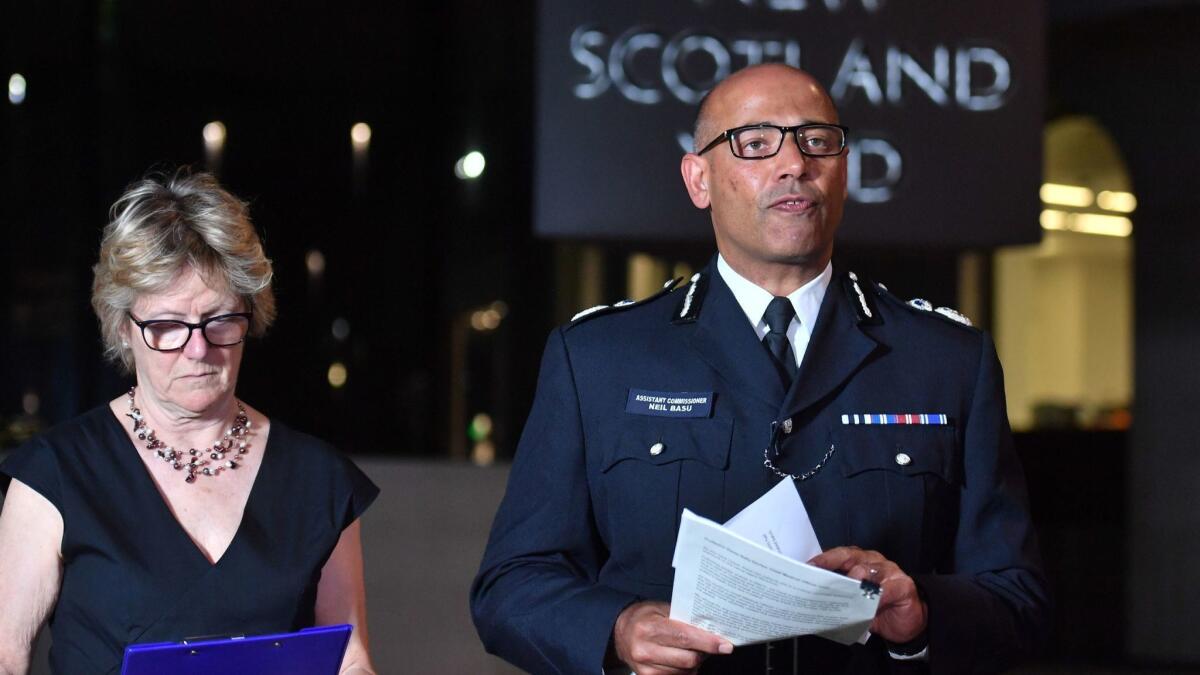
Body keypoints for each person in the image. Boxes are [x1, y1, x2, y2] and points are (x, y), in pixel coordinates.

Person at [471, 64, 1050, 674]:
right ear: (699, 179)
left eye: (817, 140)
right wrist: (616, 629)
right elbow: (511, 586)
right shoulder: (599, 357)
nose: (794, 164)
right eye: (754, 144)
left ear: (845, 168)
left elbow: (1020, 601)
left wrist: (923, 613)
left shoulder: (946, 359)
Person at [0, 170, 379, 675]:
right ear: (123, 327)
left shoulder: (319, 480)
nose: (198, 349)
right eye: (167, 326)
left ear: (252, 314)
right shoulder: (57, 474)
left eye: (220, 319)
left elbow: (350, 660)